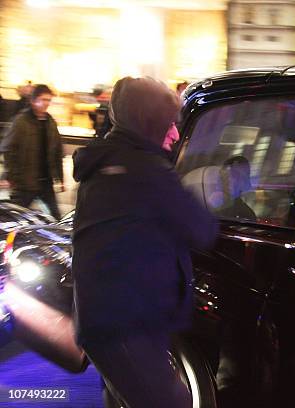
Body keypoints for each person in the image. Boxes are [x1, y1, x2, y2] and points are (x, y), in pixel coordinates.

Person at [71, 76, 218, 408]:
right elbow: (202, 228)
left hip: (107, 320)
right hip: (124, 326)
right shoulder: (145, 171)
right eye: (169, 124)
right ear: (149, 123)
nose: (176, 134)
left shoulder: (106, 161)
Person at [3, 84, 64, 219]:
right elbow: (8, 149)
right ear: (33, 100)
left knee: (56, 217)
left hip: (45, 182)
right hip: (25, 183)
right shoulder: (21, 121)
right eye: (43, 99)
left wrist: (60, 178)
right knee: (16, 218)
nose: (46, 103)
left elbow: (57, 151)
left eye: (48, 100)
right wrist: (12, 176)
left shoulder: (50, 122)